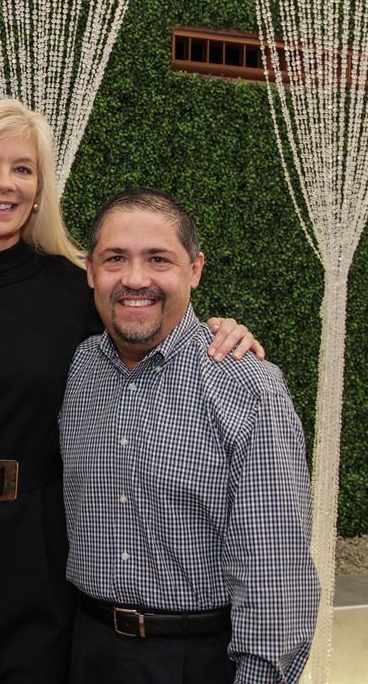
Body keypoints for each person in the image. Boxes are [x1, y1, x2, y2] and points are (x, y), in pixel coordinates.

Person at [0, 100, 262, 683]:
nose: (4, 183)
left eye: (23, 169)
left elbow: (153, 315)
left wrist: (223, 330)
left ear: (41, 185)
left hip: (46, 558)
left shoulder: (78, 286)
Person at [60, 187, 319, 683]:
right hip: (87, 650)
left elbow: (275, 573)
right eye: (116, 259)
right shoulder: (80, 368)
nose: (135, 279)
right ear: (91, 271)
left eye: (159, 259)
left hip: (199, 660)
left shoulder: (249, 387)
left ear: (194, 270)